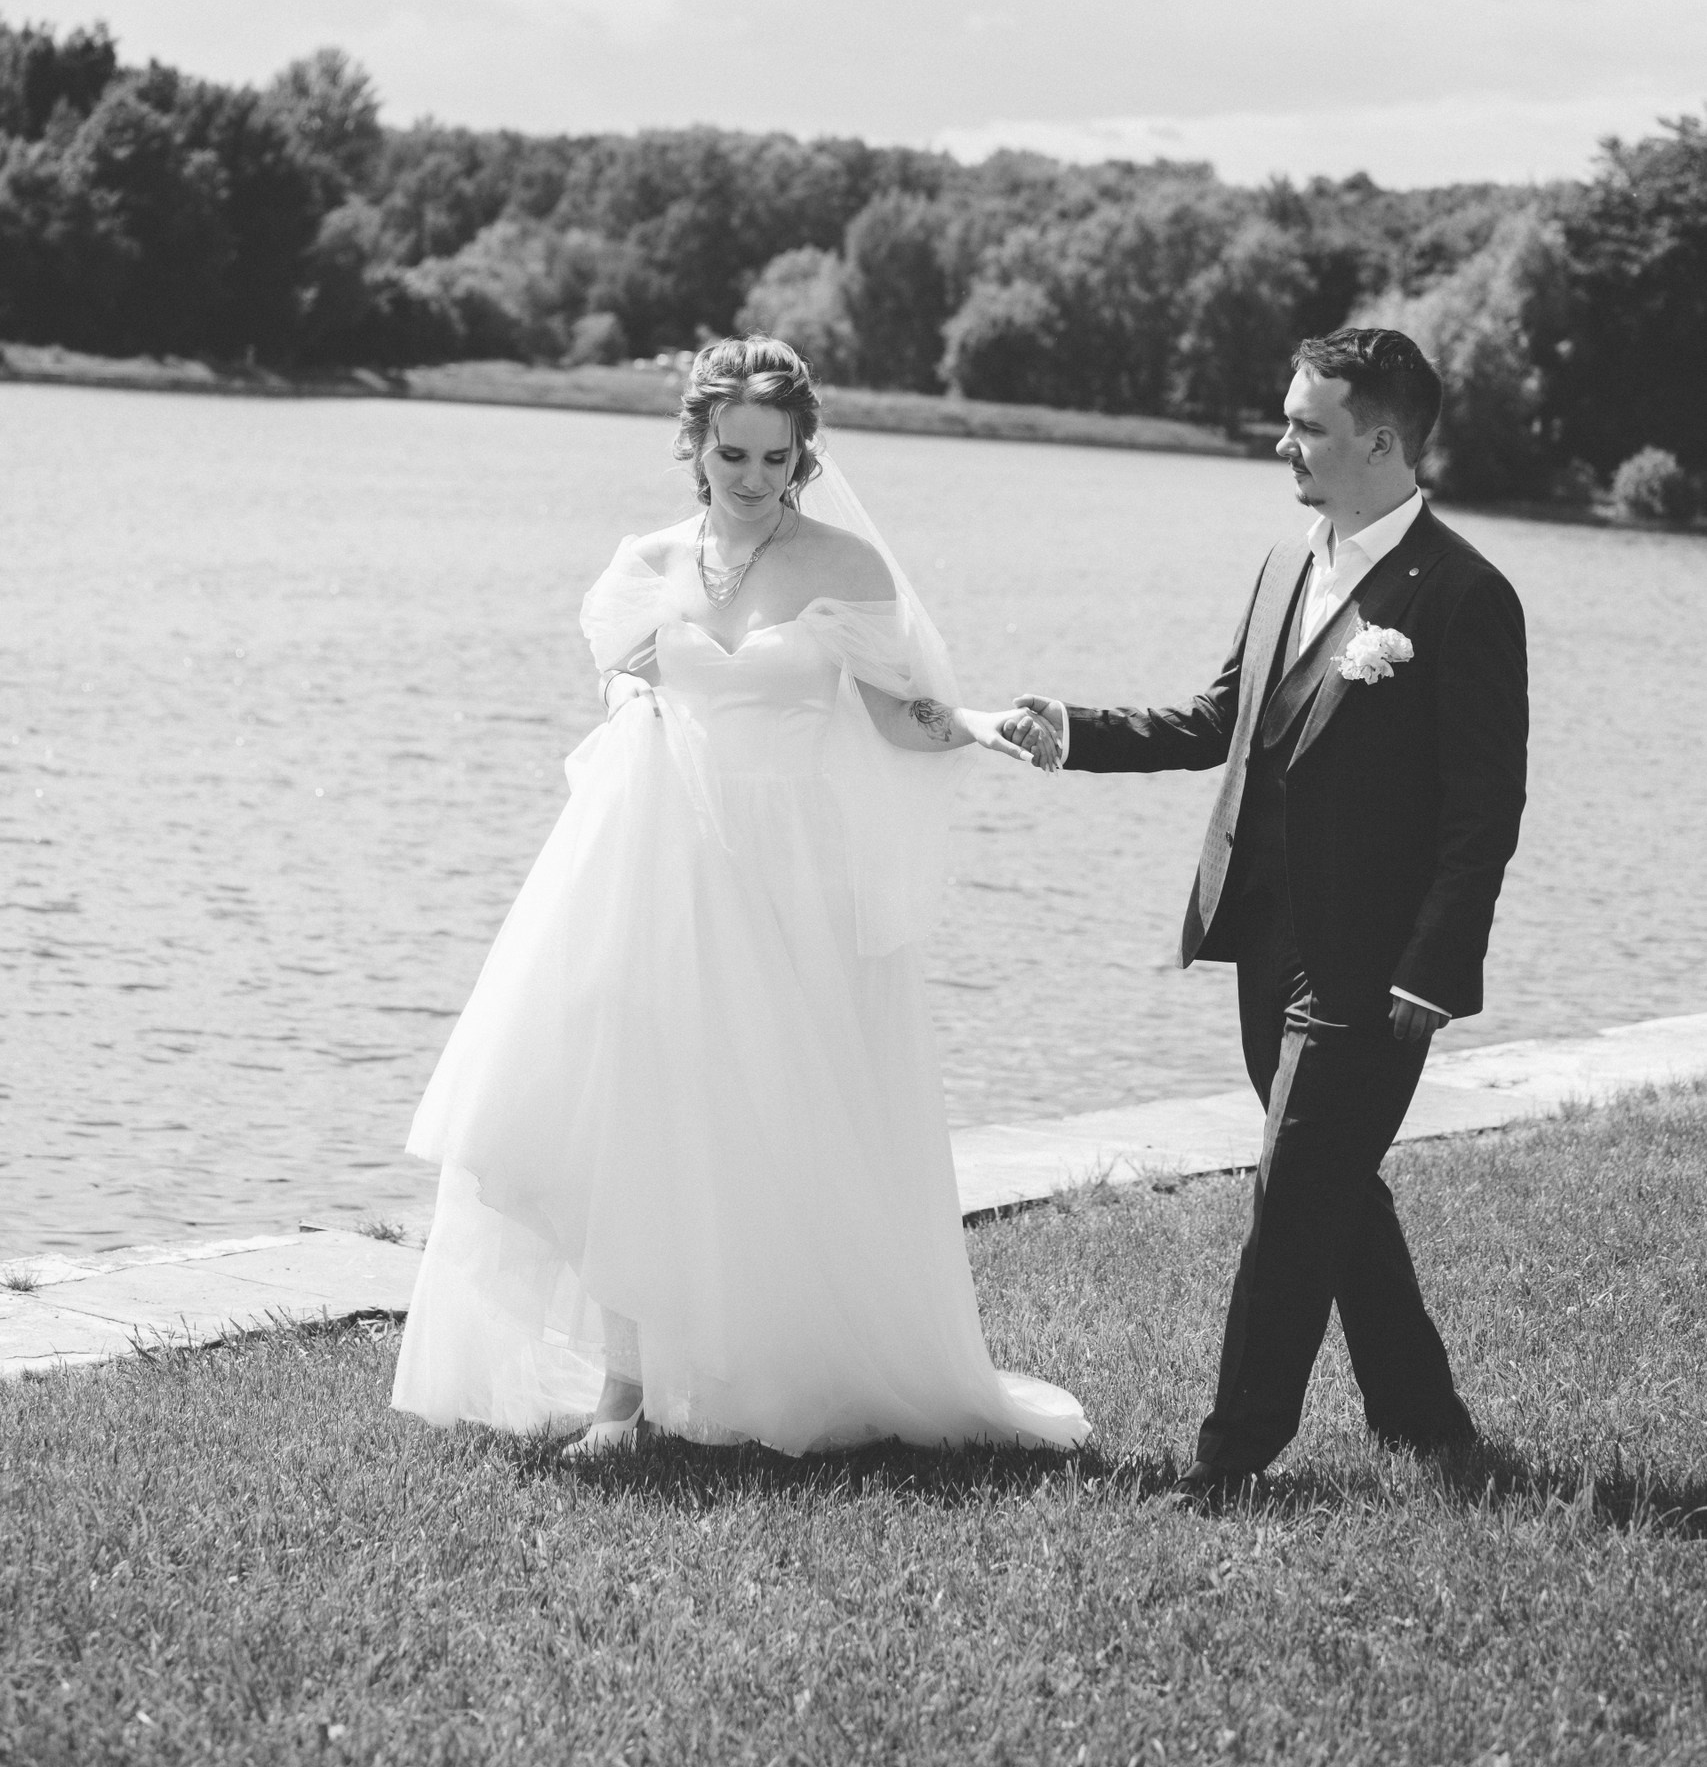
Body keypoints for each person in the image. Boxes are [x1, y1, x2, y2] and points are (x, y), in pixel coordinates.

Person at [392, 333, 1086, 1457]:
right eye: (733, 454)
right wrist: (639, 715)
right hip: (653, 858)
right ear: (695, 444)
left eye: (777, 456)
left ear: (806, 452)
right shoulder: (645, 563)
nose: (755, 477)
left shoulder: (844, 566)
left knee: (767, 1115)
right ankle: (622, 1397)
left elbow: (898, 713)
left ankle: (772, 1356)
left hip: (787, 871)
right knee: (629, 1108)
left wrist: (981, 724)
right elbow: (624, 686)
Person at [1008, 328, 1527, 1494]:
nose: (1282, 442)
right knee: (1333, 1183)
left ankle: (1228, 1462)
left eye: (1306, 425)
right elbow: (1219, 721)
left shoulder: (1465, 594)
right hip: (1263, 939)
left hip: (1374, 970)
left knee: (1293, 1196)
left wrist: (1433, 967)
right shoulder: (1287, 565)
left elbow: (1484, 809)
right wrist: (1075, 732)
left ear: (1381, 442)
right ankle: (1423, 1418)